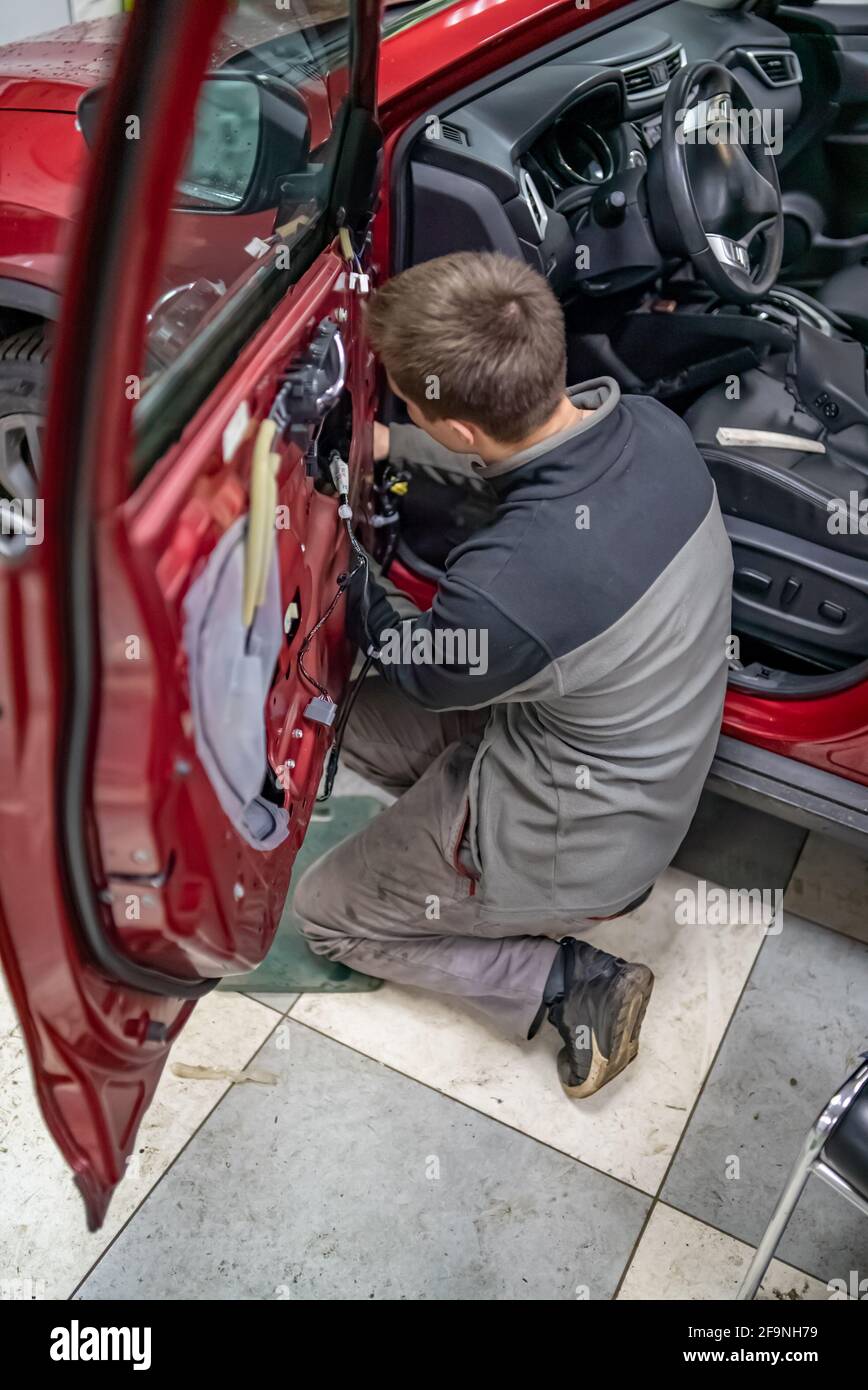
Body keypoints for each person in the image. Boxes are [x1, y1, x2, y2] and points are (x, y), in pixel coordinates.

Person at [293, 251, 733, 1098]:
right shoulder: (646, 426)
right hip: (617, 757)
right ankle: (459, 838)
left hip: (578, 841)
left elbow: (422, 667)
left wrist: (338, 545)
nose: (405, 412)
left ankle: (570, 981)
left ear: (460, 427)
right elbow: (513, 457)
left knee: (327, 913)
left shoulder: (511, 588)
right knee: (348, 719)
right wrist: (388, 445)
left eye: (411, 403)